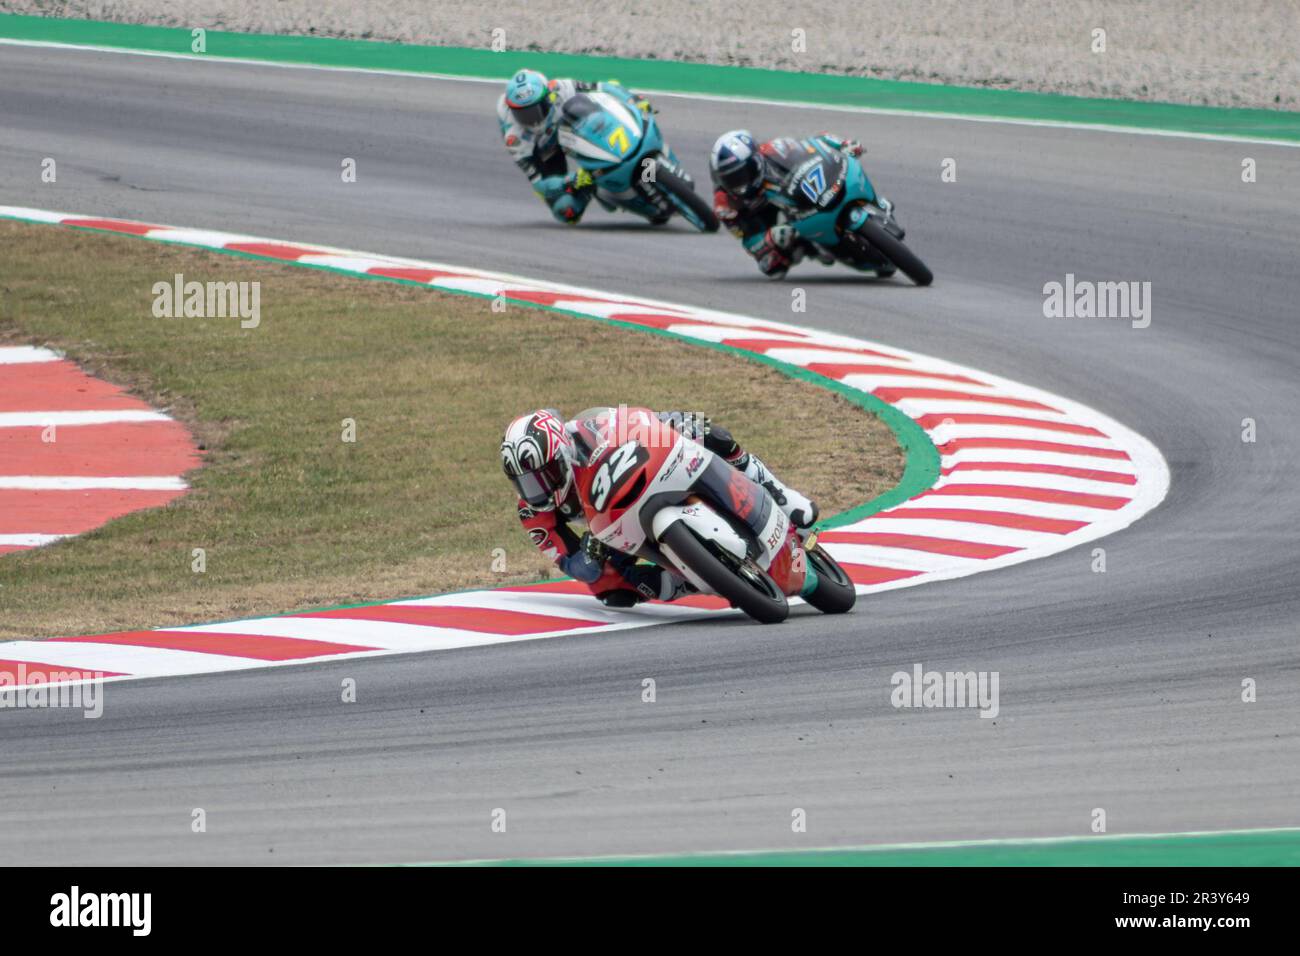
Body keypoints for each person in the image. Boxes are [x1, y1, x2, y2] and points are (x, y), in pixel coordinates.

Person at [500, 407, 818, 607]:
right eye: (527, 482)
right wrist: (588, 554)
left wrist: (667, 423)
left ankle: (778, 493)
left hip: (645, 476)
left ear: (564, 454)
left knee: (708, 431)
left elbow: (635, 420)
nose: (538, 489)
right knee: (611, 590)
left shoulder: (585, 431)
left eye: (546, 475)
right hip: (610, 528)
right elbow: (570, 563)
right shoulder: (533, 513)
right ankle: (688, 580)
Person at [709, 129, 893, 279]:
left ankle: (874, 203)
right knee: (772, 267)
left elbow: (814, 143)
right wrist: (769, 238)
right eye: (731, 179)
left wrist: (842, 144)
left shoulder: (774, 149)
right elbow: (748, 240)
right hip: (773, 222)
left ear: (755, 160)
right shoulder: (725, 205)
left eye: (742, 173)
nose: (739, 182)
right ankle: (812, 246)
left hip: (797, 191)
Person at [496, 68, 653, 224]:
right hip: (545, 151)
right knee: (566, 212)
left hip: (568, 126)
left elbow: (603, 87)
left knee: (599, 101)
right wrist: (571, 181)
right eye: (523, 114)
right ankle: (594, 186)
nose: (532, 120)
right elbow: (539, 185)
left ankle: (623, 145)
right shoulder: (514, 138)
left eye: (535, 111)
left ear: (547, 97)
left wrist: (633, 100)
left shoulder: (558, 88)